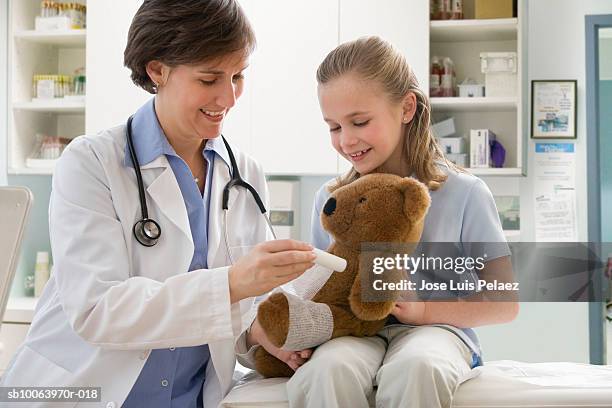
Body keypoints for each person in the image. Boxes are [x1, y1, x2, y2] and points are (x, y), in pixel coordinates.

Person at [0, 1, 316, 407]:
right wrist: (233, 283)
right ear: (157, 70)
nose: (228, 97)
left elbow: (229, 320)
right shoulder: (92, 163)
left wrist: (259, 334)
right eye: (209, 79)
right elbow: (99, 310)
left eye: (238, 76)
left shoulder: (245, 176)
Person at [285, 36, 519, 408]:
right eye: (333, 127)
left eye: (359, 122)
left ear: (406, 107)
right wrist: (301, 333)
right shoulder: (331, 202)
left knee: (418, 365)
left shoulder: (465, 193)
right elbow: (319, 290)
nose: (346, 140)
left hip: (438, 331)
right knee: (329, 368)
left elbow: (504, 303)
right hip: (356, 332)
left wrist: (426, 311)